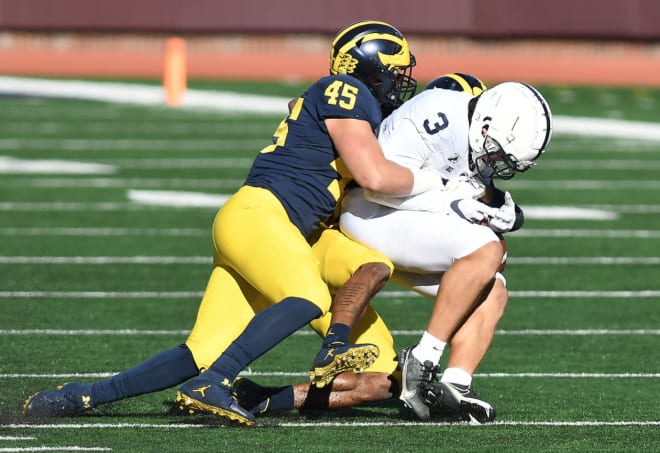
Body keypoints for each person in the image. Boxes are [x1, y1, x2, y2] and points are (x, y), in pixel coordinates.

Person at [23, 20, 445, 426]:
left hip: (263, 225)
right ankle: (215, 384)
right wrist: (439, 185)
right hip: (263, 215)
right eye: (395, 70)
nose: (401, 80)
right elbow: (373, 176)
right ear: (368, 65)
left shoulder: (344, 101)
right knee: (309, 296)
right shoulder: (347, 90)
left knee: (202, 349)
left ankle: (83, 394)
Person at [228, 75, 553, 425]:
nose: (496, 162)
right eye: (498, 152)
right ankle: (424, 359)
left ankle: (456, 385)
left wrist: (500, 205)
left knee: (494, 289)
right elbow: (378, 186)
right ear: (485, 123)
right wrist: (449, 203)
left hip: (403, 221)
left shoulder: (476, 131)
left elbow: (468, 190)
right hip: (371, 213)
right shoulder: (434, 117)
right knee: (487, 249)